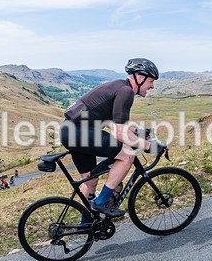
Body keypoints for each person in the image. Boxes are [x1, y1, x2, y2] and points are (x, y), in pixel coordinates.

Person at [60, 58, 160, 218]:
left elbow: (114, 124)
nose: (152, 86)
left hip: (70, 132)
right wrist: (149, 146)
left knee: (90, 181)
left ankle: (87, 227)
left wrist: (137, 132)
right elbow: (120, 134)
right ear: (140, 78)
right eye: (151, 81)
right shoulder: (126, 92)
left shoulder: (118, 86)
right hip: (80, 133)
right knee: (127, 156)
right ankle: (101, 202)